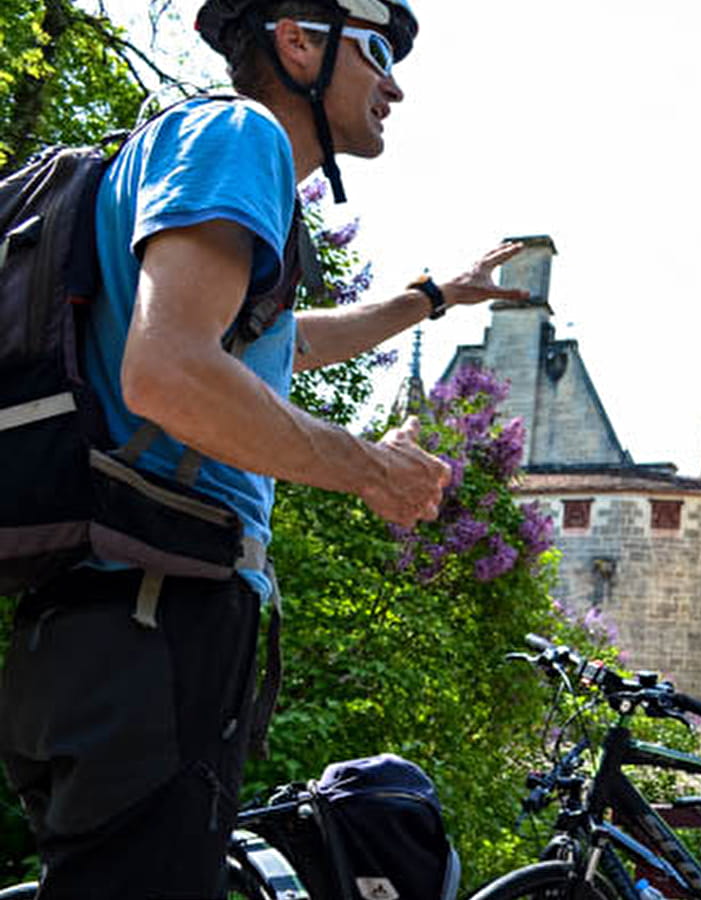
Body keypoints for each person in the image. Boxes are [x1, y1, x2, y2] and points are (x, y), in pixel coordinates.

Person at [0, 1, 531, 895]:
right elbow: (171, 372)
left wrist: (431, 297)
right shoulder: (240, 135)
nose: (394, 86)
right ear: (298, 42)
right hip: (155, 619)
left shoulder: (194, 155)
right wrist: (372, 471)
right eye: (376, 52)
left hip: (97, 627)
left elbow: (280, 342)